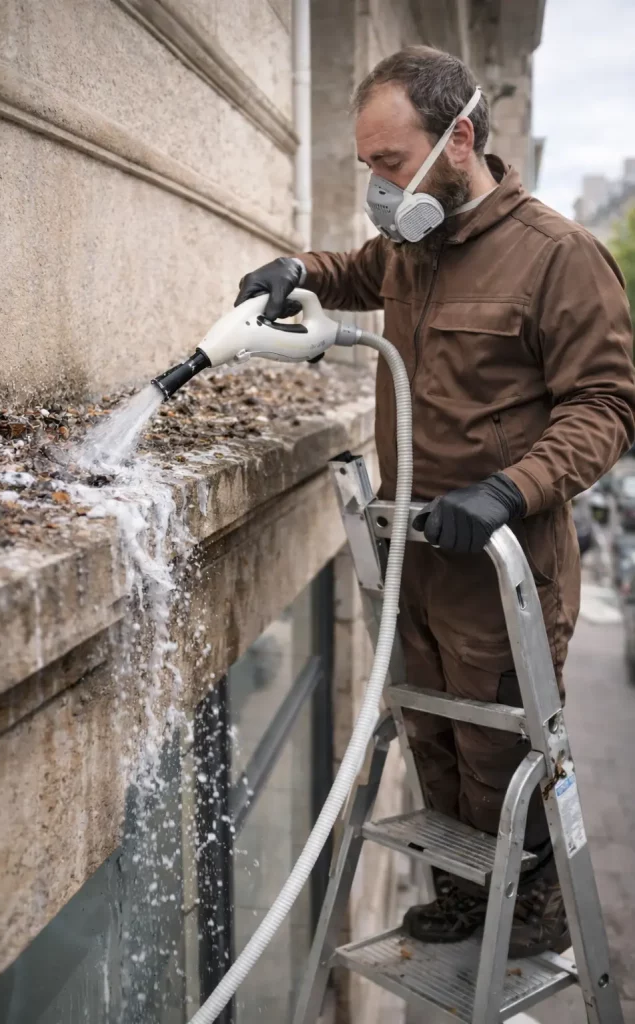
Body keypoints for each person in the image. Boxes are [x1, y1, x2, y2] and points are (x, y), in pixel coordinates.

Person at [234, 46, 635, 956]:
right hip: (413, 551)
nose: (375, 183)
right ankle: (464, 892)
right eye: (366, 163)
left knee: (502, 756)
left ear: (457, 139)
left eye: (386, 161)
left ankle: (534, 905)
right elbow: (355, 270)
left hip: (502, 571)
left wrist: (508, 489)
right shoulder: (414, 244)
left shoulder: (556, 256)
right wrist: (294, 269)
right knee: (434, 738)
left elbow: (607, 406)